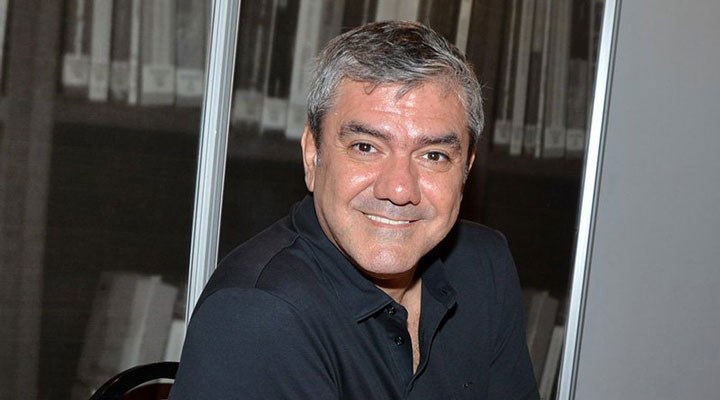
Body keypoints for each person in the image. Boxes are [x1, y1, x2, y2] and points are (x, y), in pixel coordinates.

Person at [170, 21, 539, 399]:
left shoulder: (483, 265)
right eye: (366, 147)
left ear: (466, 170)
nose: (399, 190)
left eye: (433, 155)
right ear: (313, 154)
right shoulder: (258, 314)